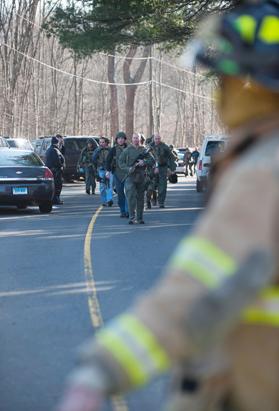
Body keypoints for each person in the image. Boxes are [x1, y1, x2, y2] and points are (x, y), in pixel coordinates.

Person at [57, 1, 279, 411]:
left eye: (225, 79)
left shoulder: (264, 170)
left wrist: (103, 369)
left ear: (251, 85)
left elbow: (193, 292)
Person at [118, 132, 154, 224]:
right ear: (132, 139)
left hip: (141, 176)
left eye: (137, 138)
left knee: (140, 198)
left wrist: (144, 162)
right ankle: (131, 217)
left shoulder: (144, 150)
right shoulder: (127, 150)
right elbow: (120, 162)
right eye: (134, 138)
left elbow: (152, 160)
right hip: (130, 176)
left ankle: (140, 218)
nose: (135, 140)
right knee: (130, 197)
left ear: (140, 139)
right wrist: (128, 169)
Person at [106, 131, 128, 217]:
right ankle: (122, 211)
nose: (121, 140)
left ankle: (128, 211)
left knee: (128, 193)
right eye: (119, 139)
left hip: (127, 173)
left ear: (125, 139)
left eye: (122, 138)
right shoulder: (113, 149)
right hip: (117, 174)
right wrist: (108, 171)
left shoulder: (129, 148)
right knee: (120, 193)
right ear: (116, 140)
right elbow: (108, 160)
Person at [151, 134, 176, 208]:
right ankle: (153, 199)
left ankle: (161, 202)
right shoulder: (150, 147)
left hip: (163, 168)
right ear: (153, 139)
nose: (157, 140)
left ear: (160, 139)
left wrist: (172, 168)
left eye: (158, 138)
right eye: (156, 138)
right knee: (152, 186)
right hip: (152, 169)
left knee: (162, 186)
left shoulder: (165, 147)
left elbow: (171, 157)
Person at [92, 137, 113, 206]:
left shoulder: (110, 150)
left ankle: (109, 200)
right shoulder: (97, 150)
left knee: (109, 185)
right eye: (100, 142)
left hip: (109, 170)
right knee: (102, 186)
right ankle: (104, 201)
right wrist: (98, 151)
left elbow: (113, 159)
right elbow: (93, 159)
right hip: (101, 170)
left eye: (103, 142)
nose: (101, 144)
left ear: (106, 143)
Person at [45, 136, 65, 205]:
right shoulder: (54, 150)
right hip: (55, 171)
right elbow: (57, 161)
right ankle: (56, 200)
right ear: (56, 143)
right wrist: (61, 166)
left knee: (56, 186)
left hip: (52, 170)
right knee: (57, 186)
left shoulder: (50, 149)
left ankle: (55, 199)